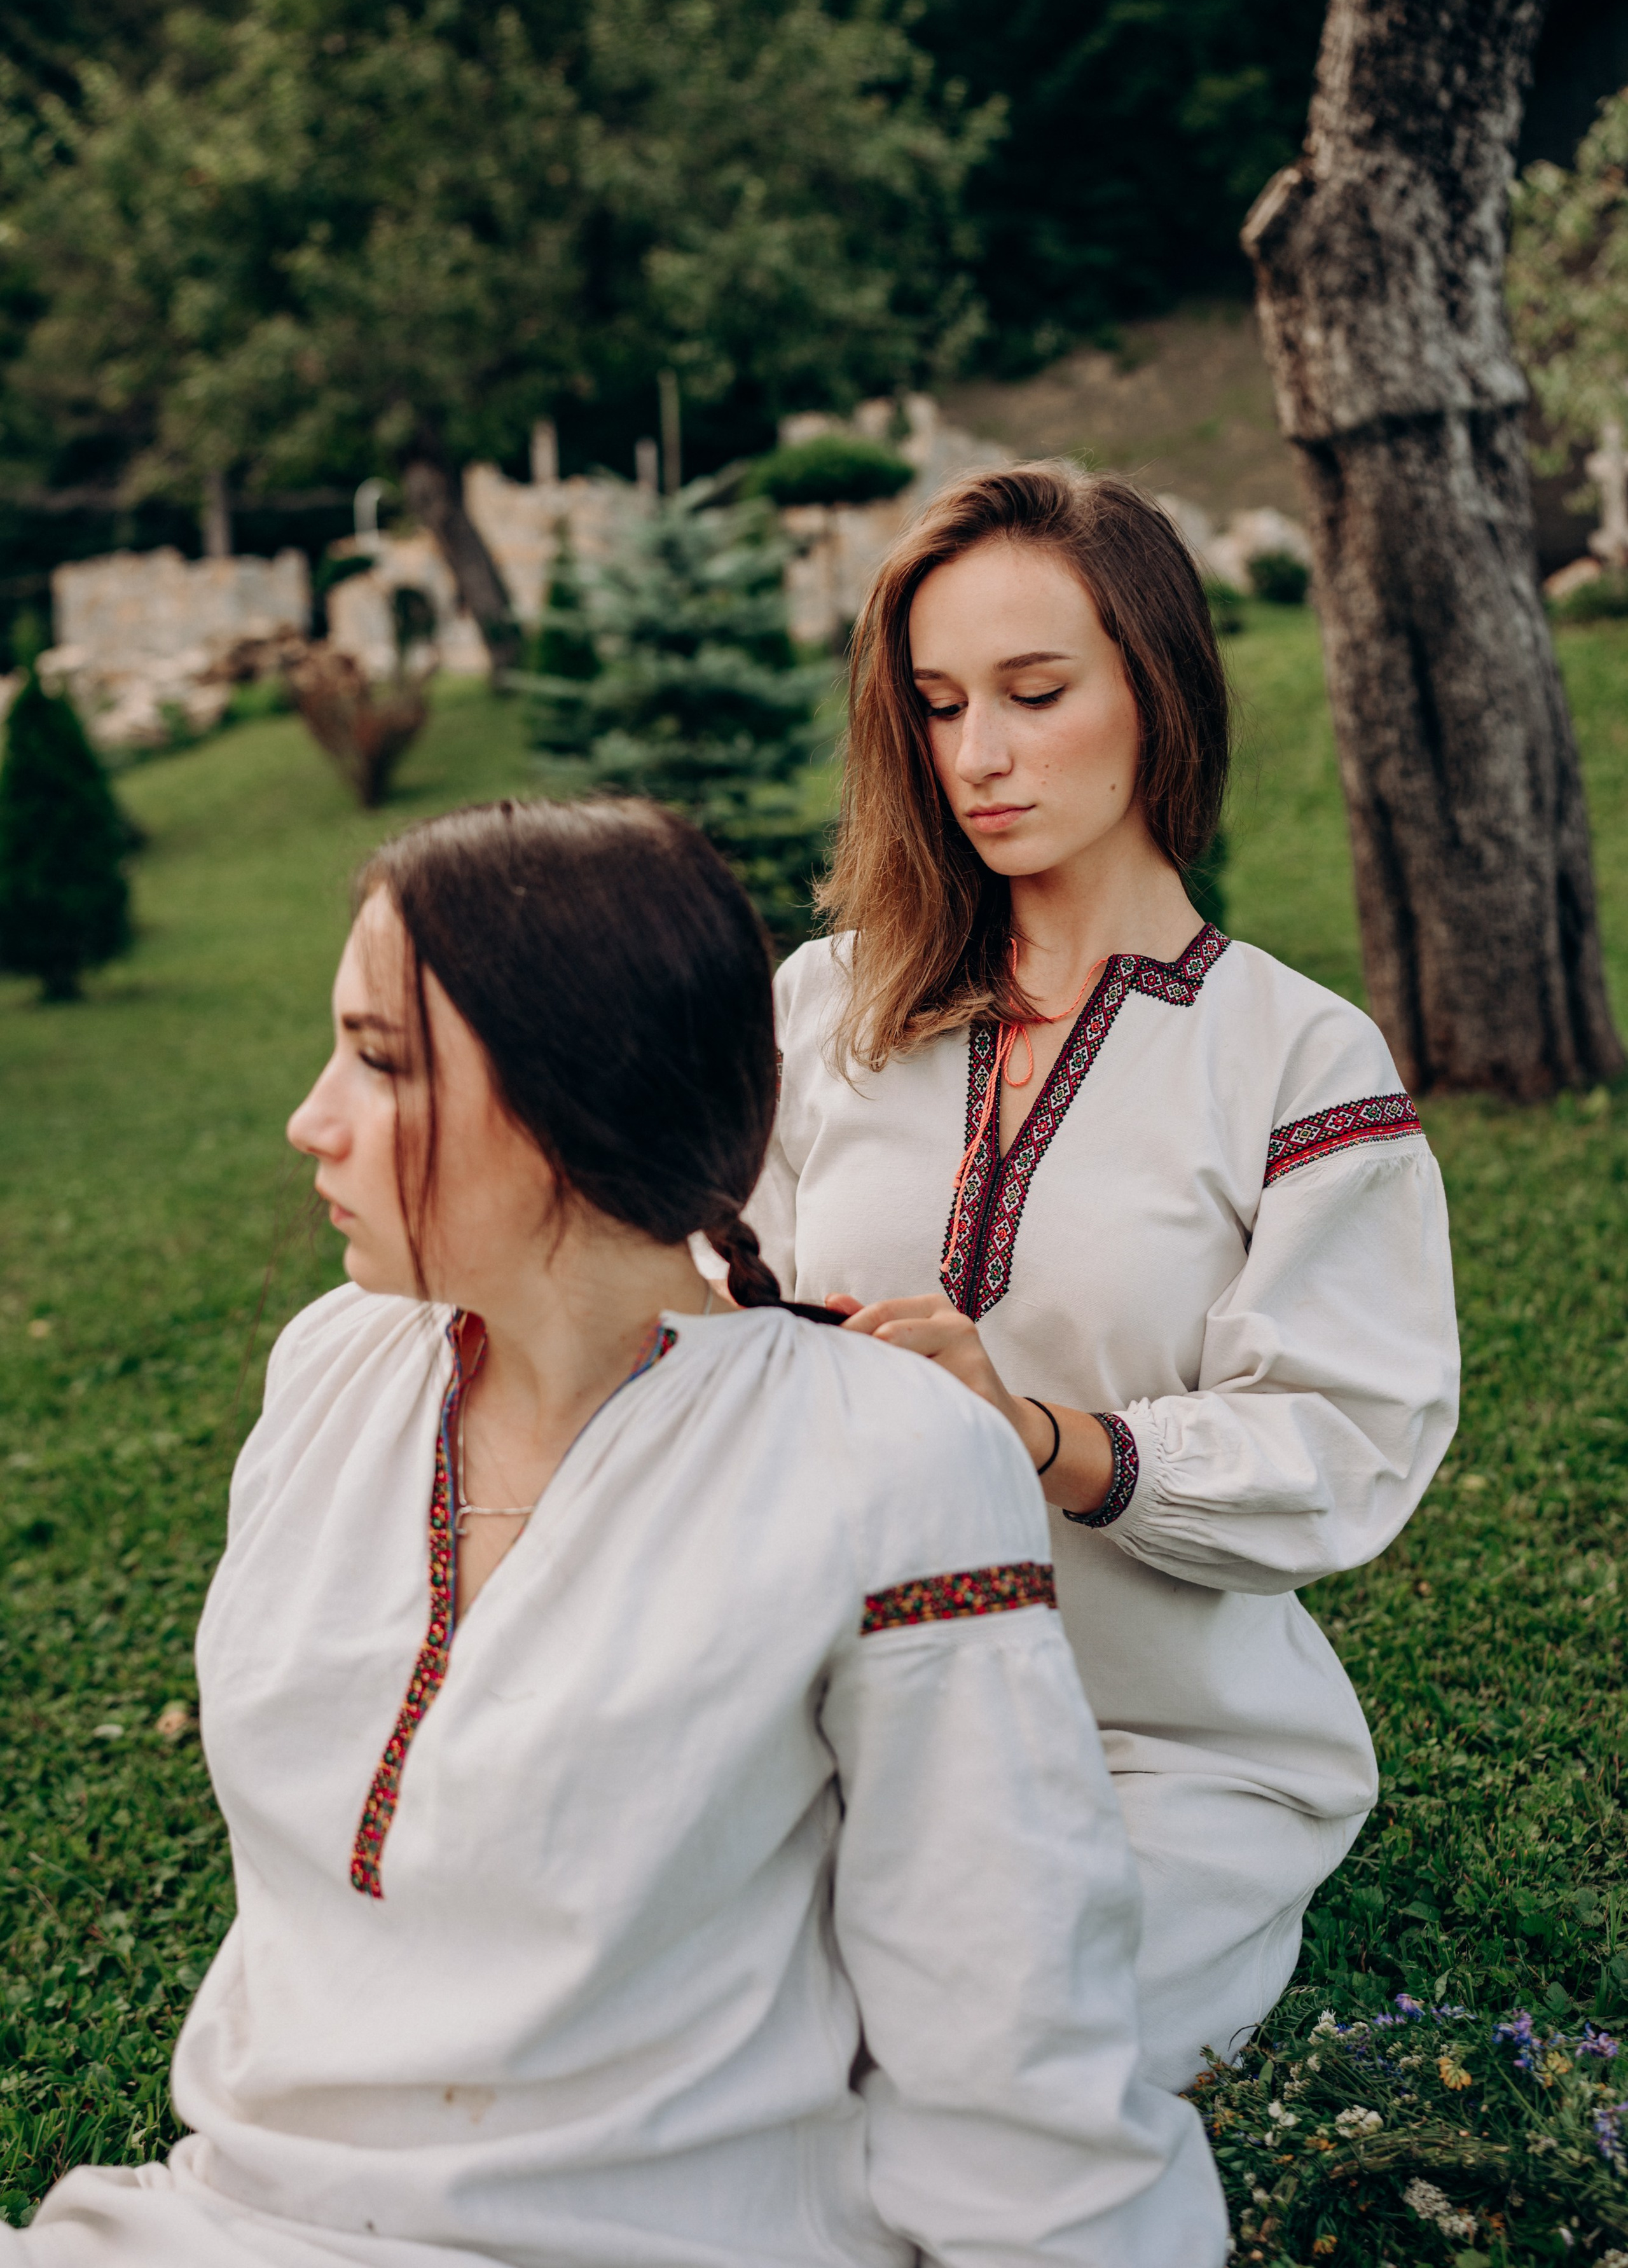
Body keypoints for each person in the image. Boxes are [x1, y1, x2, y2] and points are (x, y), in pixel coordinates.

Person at [13, 797, 1227, 2268]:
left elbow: (1002, 2009)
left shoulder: (882, 1459)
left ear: (569, 1102)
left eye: (383, 1061)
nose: (310, 1116)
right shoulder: (332, 1368)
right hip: (221, 2220)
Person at [745, 466, 1461, 2094]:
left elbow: (1337, 1452)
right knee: (683, 2042)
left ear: (1156, 686)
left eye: (1034, 692)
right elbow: (708, 1319)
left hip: (1163, 1751)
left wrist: (1044, 1435)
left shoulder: (1292, 1057)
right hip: (835, 1719)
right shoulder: (824, 1007)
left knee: (957, 2068)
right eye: (935, 706)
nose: (977, 755)